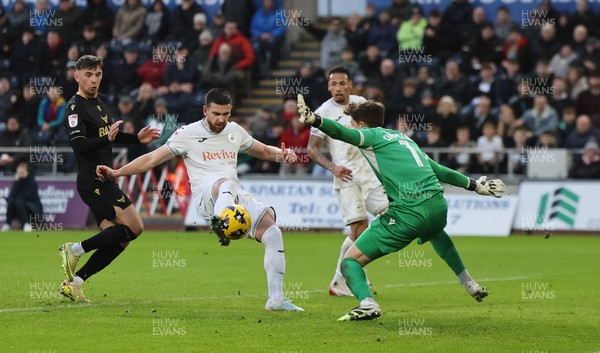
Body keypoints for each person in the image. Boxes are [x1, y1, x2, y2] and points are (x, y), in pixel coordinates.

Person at [297, 95, 505, 321]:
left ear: (363, 126)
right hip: (437, 206)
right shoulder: (405, 139)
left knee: (350, 261)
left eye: (353, 124)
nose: (351, 127)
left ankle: (367, 304)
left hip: (408, 213)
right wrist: (475, 186)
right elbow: (440, 171)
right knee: (435, 233)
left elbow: (341, 133)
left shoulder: (370, 135)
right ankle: (468, 282)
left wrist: (315, 120)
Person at [97, 88, 304, 312]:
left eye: (226, 114)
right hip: (209, 197)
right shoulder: (187, 133)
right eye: (216, 113)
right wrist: (117, 173)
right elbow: (151, 159)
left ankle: (275, 300)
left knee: (272, 231)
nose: (221, 119)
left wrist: (282, 154)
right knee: (224, 183)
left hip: (233, 194)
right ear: (205, 110)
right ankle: (220, 221)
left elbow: (262, 151)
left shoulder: (234, 131)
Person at [58, 55, 161, 302]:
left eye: (98, 75)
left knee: (120, 239)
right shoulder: (74, 107)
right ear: (77, 76)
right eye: (89, 75)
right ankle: (73, 250)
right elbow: (80, 145)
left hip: (106, 179)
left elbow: (110, 134)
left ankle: (75, 283)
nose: (94, 80)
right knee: (135, 227)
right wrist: (108, 139)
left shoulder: (102, 101)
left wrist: (136, 138)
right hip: (91, 180)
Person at [306, 67, 388, 296]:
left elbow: (375, 135)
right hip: (347, 177)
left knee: (391, 216)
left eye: (342, 83)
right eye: (333, 84)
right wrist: (333, 167)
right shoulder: (323, 112)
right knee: (361, 229)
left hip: (370, 176)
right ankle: (345, 279)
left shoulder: (361, 104)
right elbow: (311, 149)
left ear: (350, 84)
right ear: (328, 86)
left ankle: (340, 279)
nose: (338, 88)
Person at [1, 163, 43, 232]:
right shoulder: (17, 182)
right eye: (19, 172)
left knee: (19, 201)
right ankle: (8, 224)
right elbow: (12, 195)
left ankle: (26, 224)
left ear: (27, 172)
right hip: (19, 206)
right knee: (11, 202)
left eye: (22, 172)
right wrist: (17, 181)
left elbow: (28, 196)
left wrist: (17, 199)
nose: (20, 174)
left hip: (32, 208)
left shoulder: (32, 182)